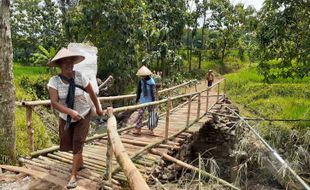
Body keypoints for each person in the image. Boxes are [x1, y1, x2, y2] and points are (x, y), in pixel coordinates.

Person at [47, 48, 104, 189]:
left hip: (84, 113)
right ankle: (80, 163)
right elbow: (54, 103)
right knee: (70, 142)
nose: (69, 64)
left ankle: (73, 175)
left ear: (74, 63)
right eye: (65, 62)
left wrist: (98, 108)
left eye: (71, 61)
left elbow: (92, 94)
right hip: (65, 117)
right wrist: (70, 112)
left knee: (78, 141)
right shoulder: (54, 81)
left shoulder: (80, 76)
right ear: (60, 65)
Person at [134, 66, 156, 135]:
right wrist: (137, 99)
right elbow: (139, 91)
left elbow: (153, 92)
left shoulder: (152, 82)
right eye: (141, 76)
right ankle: (138, 130)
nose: (142, 77)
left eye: (143, 75)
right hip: (142, 100)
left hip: (150, 100)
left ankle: (151, 130)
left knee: (151, 114)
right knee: (140, 114)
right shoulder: (141, 81)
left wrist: (153, 101)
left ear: (146, 75)